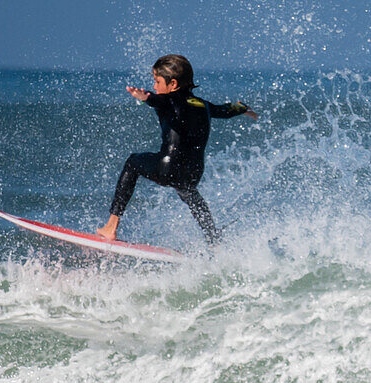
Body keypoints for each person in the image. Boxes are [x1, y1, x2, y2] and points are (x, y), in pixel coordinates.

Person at [97, 54, 259, 245]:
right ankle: (213, 238)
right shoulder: (204, 105)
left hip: (168, 168)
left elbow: (158, 100)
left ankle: (111, 226)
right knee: (189, 193)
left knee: (133, 162)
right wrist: (243, 108)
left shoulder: (168, 100)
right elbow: (224, 110)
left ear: (173, 84)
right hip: (193, 173)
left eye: (157, 81)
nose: (155, 86)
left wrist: (145, 97)